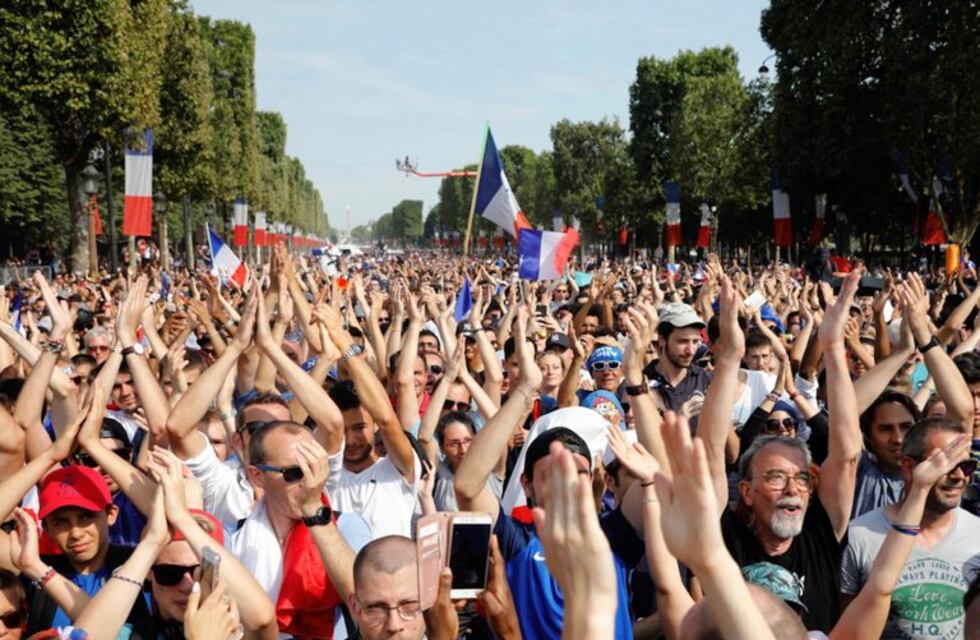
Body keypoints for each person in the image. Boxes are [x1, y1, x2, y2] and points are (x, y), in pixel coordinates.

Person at [841, 419, 980, 639]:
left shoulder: (977, 534)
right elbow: (846, 625)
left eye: (967, 466)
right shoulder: (860, 535)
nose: (959, 476)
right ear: (908, 467)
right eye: (946, 466)